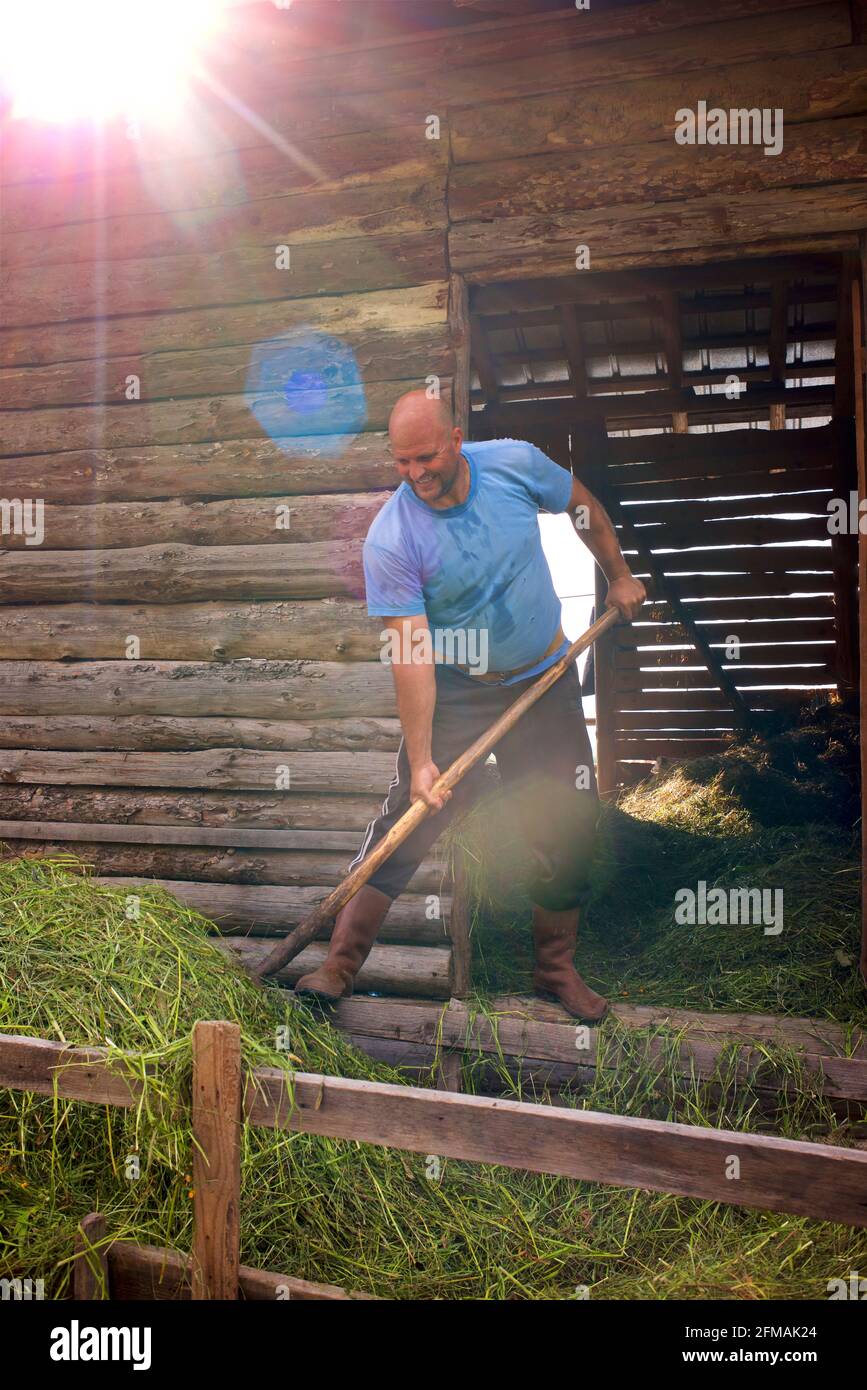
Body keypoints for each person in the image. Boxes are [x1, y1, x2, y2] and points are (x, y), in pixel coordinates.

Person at [295, 390, 646, 1019]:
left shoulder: (515, 464)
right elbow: (411, 652)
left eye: (426, 457)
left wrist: (616, 573)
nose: (415, 474)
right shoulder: (392, 538)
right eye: (401, 463)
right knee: (408, 816)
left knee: (568, 816)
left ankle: (554, 969)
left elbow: (581, 508)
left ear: (456, 439)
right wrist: (425, 758)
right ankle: (338, 966)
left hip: (544, 675)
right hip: (457, 688)